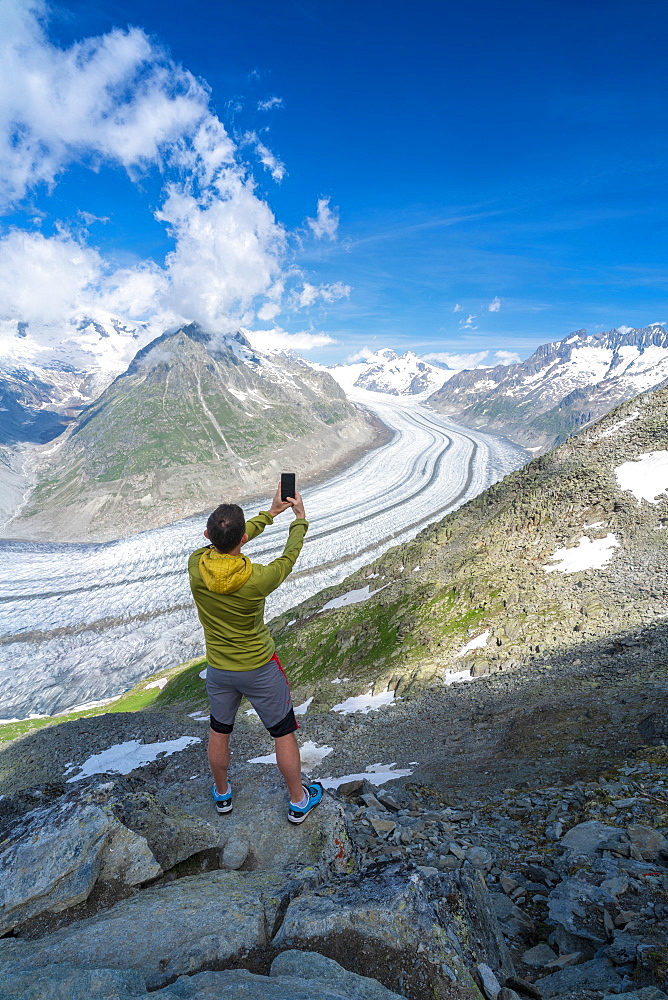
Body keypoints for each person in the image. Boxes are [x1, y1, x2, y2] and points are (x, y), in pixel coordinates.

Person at [188, 482, 323, 824]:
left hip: (219, 669)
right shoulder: (257, 579)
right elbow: (288, 558)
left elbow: (226, 541)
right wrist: (298, 520)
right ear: (242, 540)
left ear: (206, 535)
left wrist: (270, 513)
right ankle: (298, 800)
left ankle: (222, 795)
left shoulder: (196, 565)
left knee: (219, 731)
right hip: (259, 668)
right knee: (282, 733)